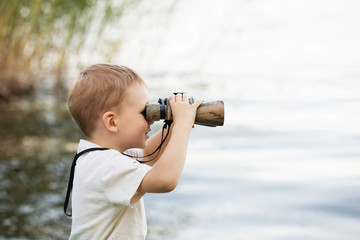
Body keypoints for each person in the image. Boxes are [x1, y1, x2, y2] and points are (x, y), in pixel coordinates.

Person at [65, 63, 202, 240]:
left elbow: (146, 155)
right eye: (144, 112)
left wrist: (175, 122)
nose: (151, 120)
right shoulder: (107, 166)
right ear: (113, 122)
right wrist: (182, 124)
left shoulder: (99, 157)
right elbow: (165, 180)